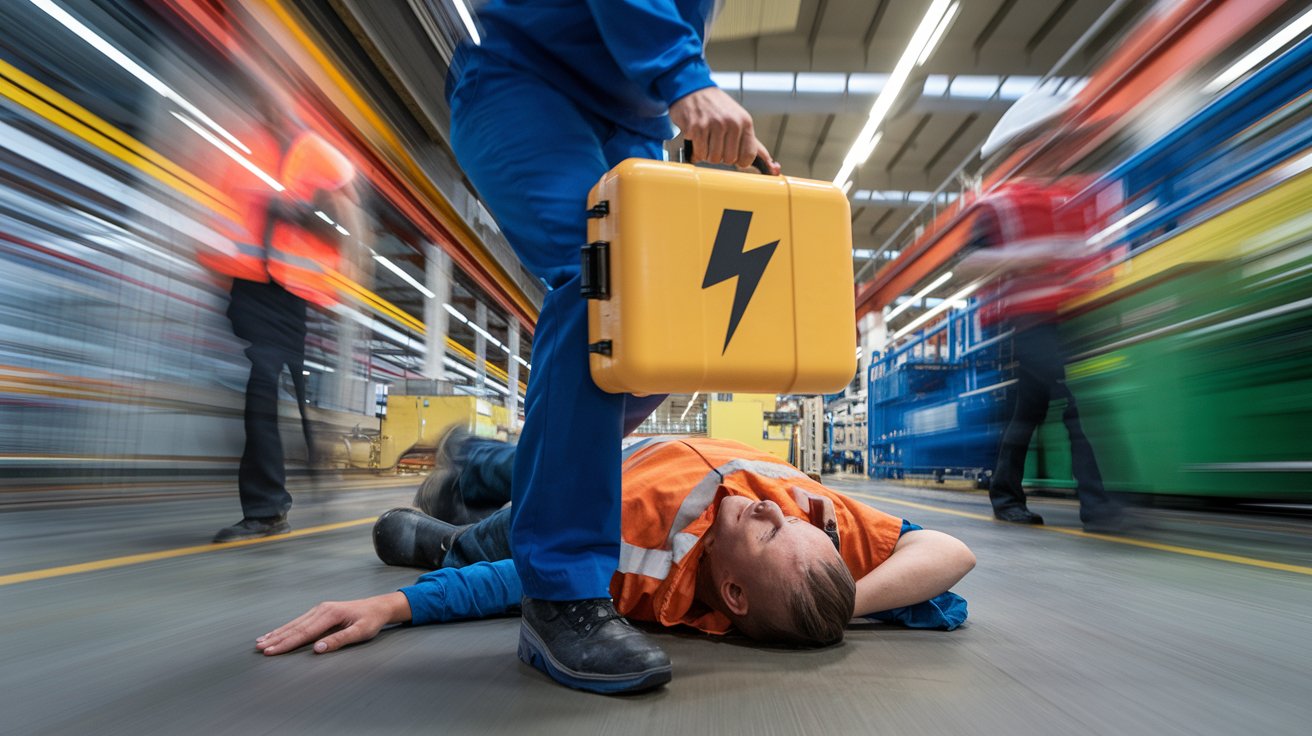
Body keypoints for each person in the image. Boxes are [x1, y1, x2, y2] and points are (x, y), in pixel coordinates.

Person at [442, 1, 782, 691]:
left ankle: (495, 474)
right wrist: (685, 76)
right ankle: (559, 593)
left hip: (632, 121)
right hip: (523, 77)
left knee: (667, 325)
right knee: (605, 283)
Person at [255, 434, 976, 692]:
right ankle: (468, 461)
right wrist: (851, 597)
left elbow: (519, 581)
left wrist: (393, 606)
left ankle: (449, 527)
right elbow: (952, 551)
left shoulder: (647, 574)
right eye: (781, 517)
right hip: (629, 449)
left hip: (581, 499)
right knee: (509, 455)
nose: (769, 507)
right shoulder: (817, 540)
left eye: (764, 532)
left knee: (475, 526)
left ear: (731, 591)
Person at [200, 91, 361, 543]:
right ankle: (284, 490)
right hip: (246, 290)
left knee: (278, 391)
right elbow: (220, 217)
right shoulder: (243, 146)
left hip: (294, 294)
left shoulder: (320, 155)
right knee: (263, 393)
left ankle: (282, 494)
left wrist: (300, 213)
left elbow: (348, 227)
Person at [956, 180, 1123, 533]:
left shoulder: (1075, 196)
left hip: (1075, 316)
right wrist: (1024, 257)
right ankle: (1097, 506)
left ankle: (1010, 497)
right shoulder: (1001, 203)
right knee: (1075, 407)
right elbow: (967, 263)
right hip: (1029, 322)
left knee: (1029, 412)